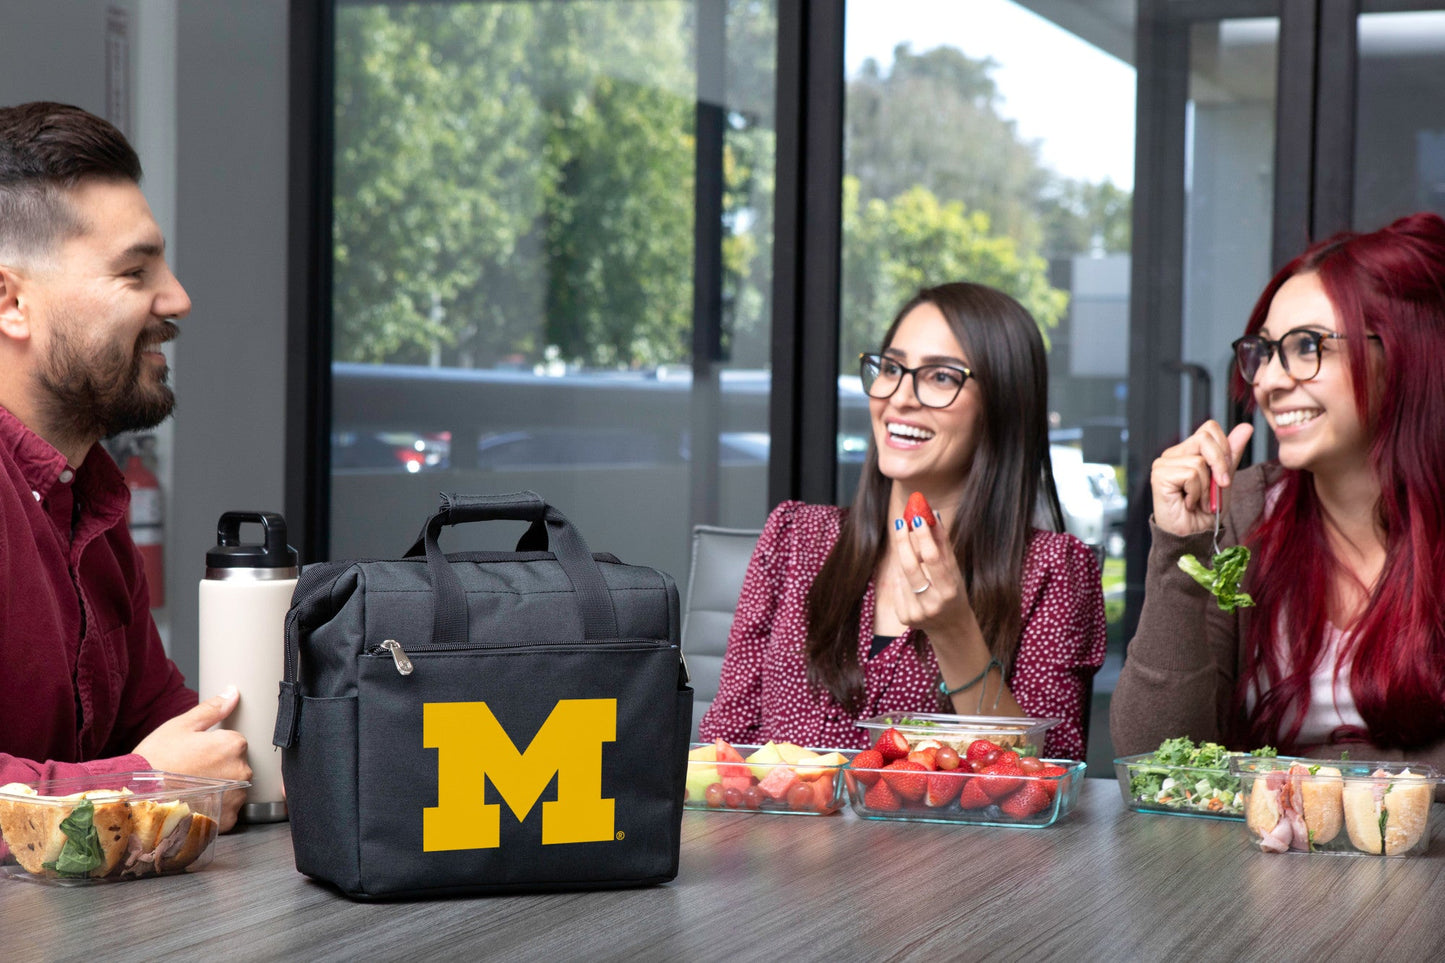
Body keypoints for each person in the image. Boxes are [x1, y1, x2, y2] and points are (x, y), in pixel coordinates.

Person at [699, 282, 1108, 760]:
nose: (899, 397)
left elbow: (1044, 780)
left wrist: (955, 632)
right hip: (787, 834)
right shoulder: (794, 538)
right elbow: (723, 750)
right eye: (891, 368)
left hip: (948, 839)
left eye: (939, 377)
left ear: (1002, 405)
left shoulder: (1055, 572)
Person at [1111, 212, 1445, 779]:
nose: (1266, 380)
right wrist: (1179, 547)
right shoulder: (1240, 511)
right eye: (1263, 351)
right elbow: (1156, 764)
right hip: (1261, 859)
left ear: (1405, 354)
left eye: (1307, 346)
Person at [0, 102, 250, 829]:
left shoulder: (91, 498)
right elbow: (163, 765)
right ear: (11, 301)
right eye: (135, 271)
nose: (176, 299)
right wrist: (147, 782)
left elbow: (174, 731)